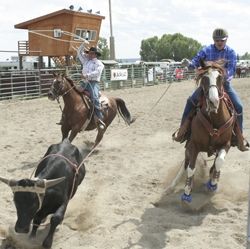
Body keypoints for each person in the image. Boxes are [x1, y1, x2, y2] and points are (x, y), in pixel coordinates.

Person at [173, 28, 249, 151]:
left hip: (223, 84)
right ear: (213, 40)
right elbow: (196, 61)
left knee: (239, 106)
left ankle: (240, 138)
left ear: (226, 40)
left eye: (222, 40)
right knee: (190, 101)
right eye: (217, 40)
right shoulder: (206, 50)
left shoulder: (231, 52)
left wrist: (222, 78)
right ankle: (182, 131)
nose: (219, 42)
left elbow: (231, 70)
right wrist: (188, 64)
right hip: (207, 85)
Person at [77, 43, 105, 130]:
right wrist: (83, 44)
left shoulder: (99, 64)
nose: (89, 54)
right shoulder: (86, 61)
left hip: (93, 83)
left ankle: (99, 119)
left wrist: (87, 75)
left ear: (95, 54)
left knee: (95, 98)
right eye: (89, 53)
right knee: (73, 92)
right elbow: (79, 52)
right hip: (84, 82)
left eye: (91, 53)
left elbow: (97, 72)